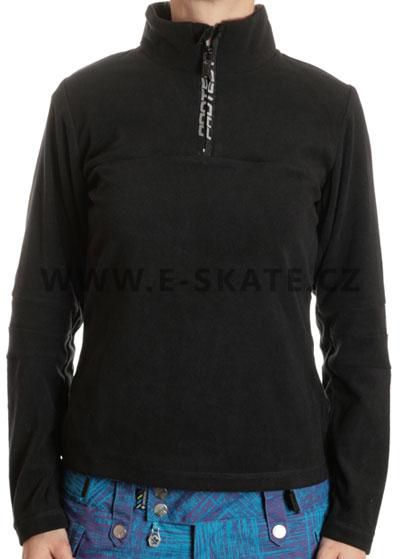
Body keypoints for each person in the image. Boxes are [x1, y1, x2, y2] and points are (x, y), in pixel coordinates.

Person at [6, 1, 391, 558]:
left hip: (281, 522)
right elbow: (41, 316)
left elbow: (358, 332)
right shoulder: (85, 103)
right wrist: (35, 506)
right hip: (108, 518)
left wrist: (354, 521)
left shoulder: (329, 110)